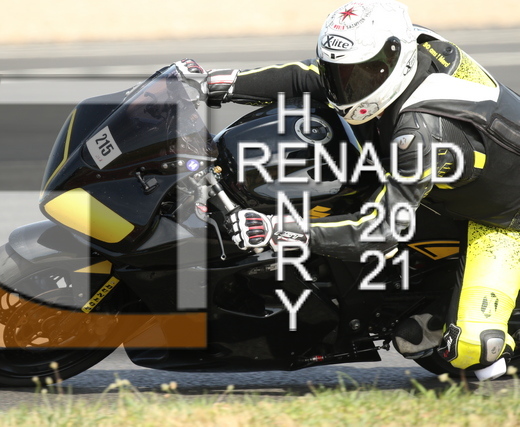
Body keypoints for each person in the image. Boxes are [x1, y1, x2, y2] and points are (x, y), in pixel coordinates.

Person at [175, 0, 520, 378]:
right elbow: (310, 76)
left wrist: (276, 229)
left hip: (501, 219)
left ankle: (473, 335)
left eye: (363, 73)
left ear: (395, 58)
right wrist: (222, 83)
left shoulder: (421, 131)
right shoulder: (403, 49)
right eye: (341, 73)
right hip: (454, 183)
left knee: (471, 347)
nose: (347, 87)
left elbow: (380, 232)